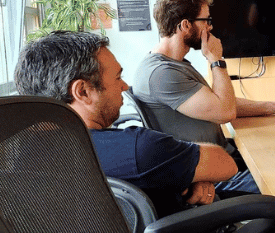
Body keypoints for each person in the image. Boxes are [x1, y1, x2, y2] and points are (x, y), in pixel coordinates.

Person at [14, 31, 238, 217]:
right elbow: (226, 165)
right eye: (117, 77)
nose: (125, 86)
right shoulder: (138, 150)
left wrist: (181, 175)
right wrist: (186, 177)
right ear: (83, 91)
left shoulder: (19, 158)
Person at [133, 0, 275, 195]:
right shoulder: (161, 73)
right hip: (212, 178)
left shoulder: (174, 64)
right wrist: (216, 60)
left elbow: (217, 102)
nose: (210, 27)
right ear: (186, 25)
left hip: (220, 160)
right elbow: (225, 112)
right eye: (206, 20)